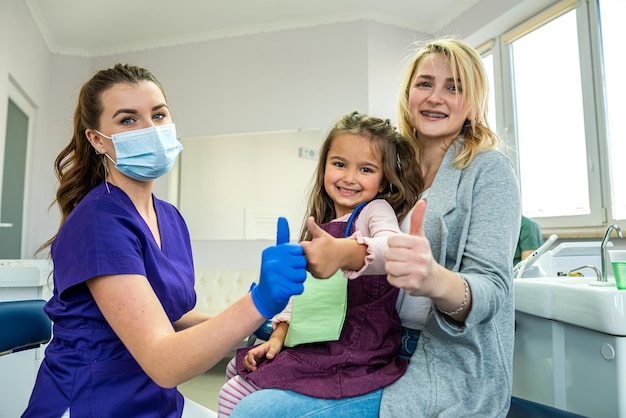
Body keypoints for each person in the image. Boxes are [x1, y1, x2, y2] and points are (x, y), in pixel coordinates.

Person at [231, 38, 521, 417]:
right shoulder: (395, 169)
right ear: (408, 93)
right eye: (425, 83)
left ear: (474, 102)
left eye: (454, 87)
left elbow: (493, 290)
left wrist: (434, 279)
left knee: (257, 412)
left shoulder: (489, 170)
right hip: (373, 347)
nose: (436, 96)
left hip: (441, 363)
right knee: (242, 384)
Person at [22, 63, 307, 418]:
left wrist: (257, 326)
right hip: (93, 402)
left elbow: (174, 315)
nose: (150, 130)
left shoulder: (170, 217)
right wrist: (258, 302)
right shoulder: (98, 222)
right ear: (96, 139)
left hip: (155, 400)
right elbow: (163, 361)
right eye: (128, 120)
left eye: (158, 115)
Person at [217, 111, 423, 416]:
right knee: (236, 370)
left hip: (352, 355)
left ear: (383, 181)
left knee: (234, 394)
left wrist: (345, 251)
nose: (349, 177)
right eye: (339, 164)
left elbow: (391, 244)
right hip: (313, 346)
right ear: (324, 166)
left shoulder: (374, 211)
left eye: (365, 169)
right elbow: (298, 297)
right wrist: (277, 338)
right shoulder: (322, 226)